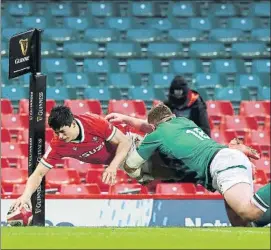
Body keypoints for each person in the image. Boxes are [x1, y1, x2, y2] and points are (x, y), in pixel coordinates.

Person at [115, 104, 270, 227]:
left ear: (154, 126)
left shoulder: (156, 135)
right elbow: (151, 127)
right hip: (226, 159)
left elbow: (131, 164)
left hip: (220, 165)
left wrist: (124, 147)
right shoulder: (183, 121)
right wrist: (126, 118)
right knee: (240, 223)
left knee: (249, 212)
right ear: (172, 117)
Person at [11, 105, 136, 210]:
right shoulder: (58, 145)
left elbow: (125, 142)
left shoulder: (94, 122)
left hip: (133, 145)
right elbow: (38, 174)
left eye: (63, 131)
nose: (60, 136)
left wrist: (112, 166)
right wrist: (25, 196)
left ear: (73, 123)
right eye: (56, 132)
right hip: (122, 163)